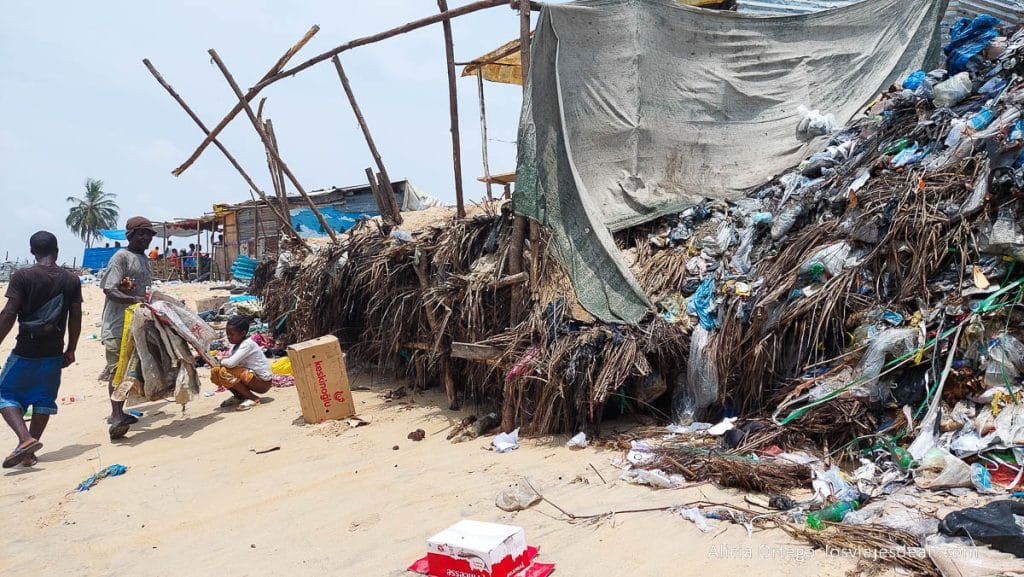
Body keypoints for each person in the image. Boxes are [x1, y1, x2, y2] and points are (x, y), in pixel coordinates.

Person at [0, 232, 82, 467]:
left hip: (26, 349)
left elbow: (8, 314)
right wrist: (71, 348)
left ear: (32, 251)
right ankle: (28, 452)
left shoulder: (23, 276)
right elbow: (75, 317)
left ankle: (25, 439)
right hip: (54, 351)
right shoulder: (71, 280)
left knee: (4, 394)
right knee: (44, 399)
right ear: (57, 250)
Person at [101, 216, 155, 440]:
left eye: (148, 235)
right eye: (141, 234)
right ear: (130, 235)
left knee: (132, 369)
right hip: (116, 326)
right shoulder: (120, 257)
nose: (145, 238)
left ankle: (121, 410)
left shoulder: (143, 259)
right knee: (117, 370)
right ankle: (115, 415)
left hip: (136, 323)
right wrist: (133, 300)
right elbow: (109, 289)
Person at [211, 316, 272, 411]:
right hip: (252, 378)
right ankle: (239, 396)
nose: (229, 337)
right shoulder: (235, 346)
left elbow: (230, 363)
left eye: (232, 334)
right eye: (227, 334)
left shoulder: (247, 344)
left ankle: (253, 398)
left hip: (262, 382)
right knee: (216, 371)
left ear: (242, 333)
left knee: (224, 371)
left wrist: (220, 360)